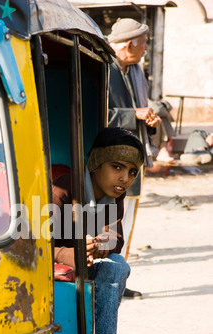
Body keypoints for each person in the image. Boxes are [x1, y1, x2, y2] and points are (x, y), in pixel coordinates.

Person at [52, 127, 144, 334]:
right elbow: (34, 245)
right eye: (117, 167)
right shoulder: (61, 191)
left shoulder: (115, 194)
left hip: (88, 264)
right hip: (52, 271)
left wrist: (96, 246)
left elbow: (116, 239)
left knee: (118, 265)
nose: (125, 178)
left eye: (132, 171)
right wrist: (71, 255)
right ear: (95, 162)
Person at [107, 17, 161, 298]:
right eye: (144, 44)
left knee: (124, 222)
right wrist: (134, 114)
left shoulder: (135, 71)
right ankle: (110, 278)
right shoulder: (105, 67)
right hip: (107, 160)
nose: (146, 49)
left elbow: (138, 110)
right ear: (129, 45)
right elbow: (99, 112)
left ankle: (119, 278)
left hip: (130, 159)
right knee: (107, 221)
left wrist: (148, 118)